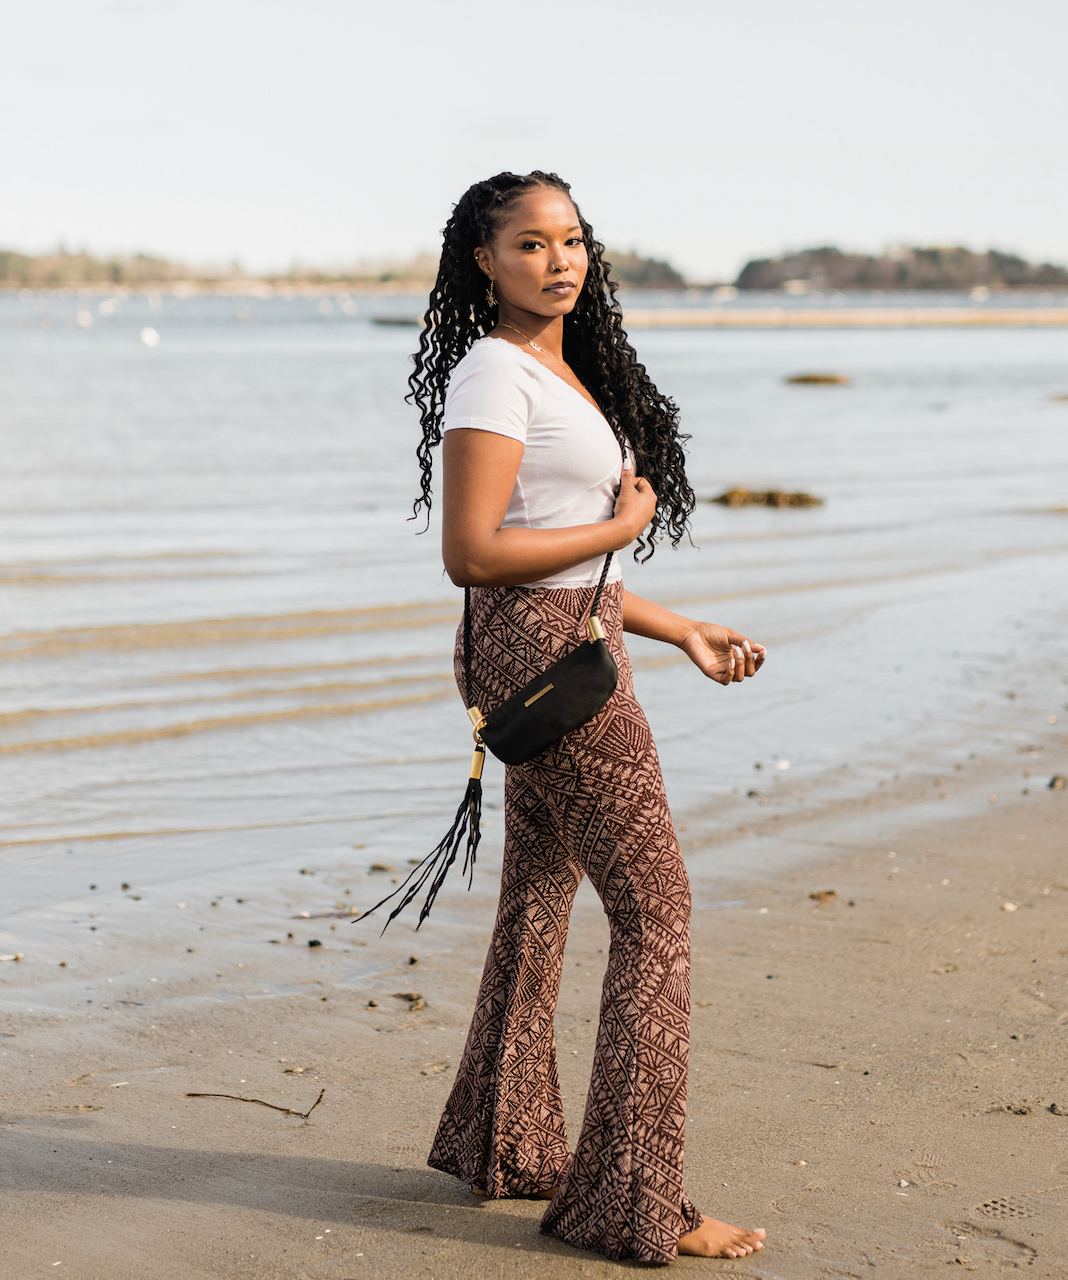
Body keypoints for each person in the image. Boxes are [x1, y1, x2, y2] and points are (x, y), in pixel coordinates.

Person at [409, 170, 767, 1264]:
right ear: (483, 259)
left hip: (568, 645)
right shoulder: (491, 373)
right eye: (529, 244)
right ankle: (631, 1197)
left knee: (538, 898)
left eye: (570, 240)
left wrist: (676, 625)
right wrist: (625, 520)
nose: (557, 260)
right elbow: (473, 555)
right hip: (547, 659)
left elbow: (568, 550)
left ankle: (504, 1141)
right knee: (658, 915)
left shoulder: (558, 369)